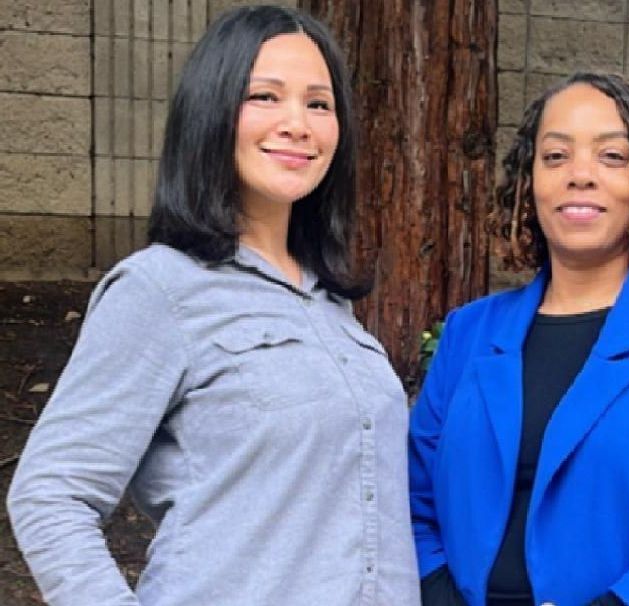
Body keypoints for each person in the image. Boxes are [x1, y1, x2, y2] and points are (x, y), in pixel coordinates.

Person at [8, 6, 420, 605]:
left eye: (318, 103)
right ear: (212, 111)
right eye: (265, 96)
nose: (297, 124)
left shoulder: (332, 307)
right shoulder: (160, 290)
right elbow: (51, 491)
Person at [409, 72, 629, 606]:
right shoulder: (468, 332)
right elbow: (410, 506)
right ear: (528, 183)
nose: (580, 175)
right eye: (555, 156)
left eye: (612, 157)